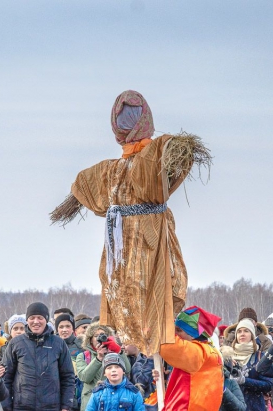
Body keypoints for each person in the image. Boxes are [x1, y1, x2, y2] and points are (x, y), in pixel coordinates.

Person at [51, 90, 212, 355]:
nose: (127, 121)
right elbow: (84, 184)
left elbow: (176, 153)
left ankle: (152, 350)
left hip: (148, 234)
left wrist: (177, 148)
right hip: (120, 240)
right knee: (124, 290)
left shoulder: (154, 154)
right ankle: (134, 349)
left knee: (150, 288)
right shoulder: (112, 168)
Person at [3, 302, 75, 411]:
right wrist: (7, 406)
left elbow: (68, 377)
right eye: (32, 318)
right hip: (22, 406)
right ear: (27, 320)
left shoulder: (58, 343)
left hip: (52, 406)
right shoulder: (15, 343)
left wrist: (66, 406)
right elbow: (5, 378)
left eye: (40, 318)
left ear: (46, 319)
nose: (36, 321)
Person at [156, 306, 223, 411]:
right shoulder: (209, 351)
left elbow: (170, 346)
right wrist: (163, 378)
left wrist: (155, 328)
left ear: (193, 335)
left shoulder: (200, 351)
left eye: (178, 330)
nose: (175, 334)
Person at [76, 322, 131, 411]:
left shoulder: (115, 354)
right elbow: (85, 377)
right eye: (96, 336)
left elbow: (127, 369)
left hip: (113, 401)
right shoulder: (83, 356)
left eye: (103, 335)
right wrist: (98, 358)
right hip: (91, 402)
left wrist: (118, 351)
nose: (99, 338)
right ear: (90, 340)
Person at [229, 319, 272, 411]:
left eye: (246, 331)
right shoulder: (227, 356)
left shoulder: (260, 357)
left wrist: (245, 381)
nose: (242, 334)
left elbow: (268, 385)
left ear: (252, 335)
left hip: (254, 407)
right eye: (239, 331)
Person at [219, 347, 248, 411]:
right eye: (232, 359)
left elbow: (241, 408)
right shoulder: (231, 383)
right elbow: (241, 408)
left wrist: (224, 390)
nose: (234, 363)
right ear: (227, 361)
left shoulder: (231, 382)